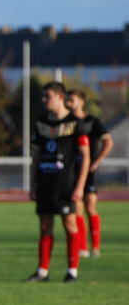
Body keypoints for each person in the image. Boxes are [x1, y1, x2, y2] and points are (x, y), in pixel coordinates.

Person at [26, 81, 90, 283]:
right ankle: (42, 271)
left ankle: (72, 271)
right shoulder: (41, 122)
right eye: (43, 96)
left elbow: (85, 156)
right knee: (45, 226)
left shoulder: (75, 123)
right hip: (45, 183)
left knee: (70, 225)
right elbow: (36, 155)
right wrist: (32, 183)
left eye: (48, 96)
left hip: (66, 184)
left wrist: (80, 186)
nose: (44, 100)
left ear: (60, 97)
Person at [65, 89, 114, 259]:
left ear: (81, 102)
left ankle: (96, 247)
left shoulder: (92, 121)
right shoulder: (67, 122)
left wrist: (97, 161)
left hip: (89, 170)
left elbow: (108, 142)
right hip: (73, 170)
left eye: (71, 100)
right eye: (67, 100)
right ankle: (83, 247)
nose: (68, 103)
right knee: (77, 209)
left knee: (90, 206)